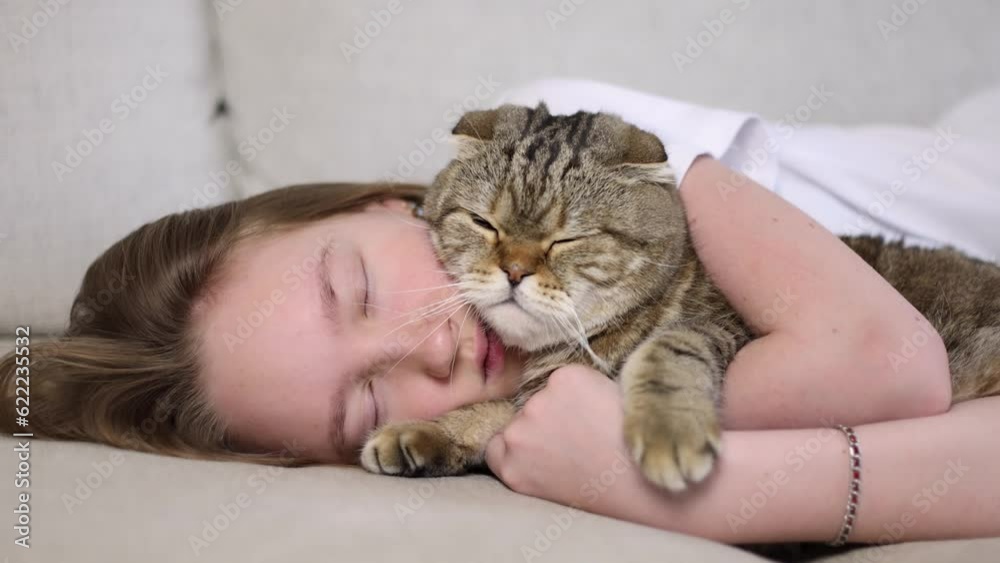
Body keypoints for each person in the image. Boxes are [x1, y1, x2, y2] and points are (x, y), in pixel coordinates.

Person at [2, 79, 998, 546]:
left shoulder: (557, 150)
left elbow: (891, 363)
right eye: (366, 404)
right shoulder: (524, 409)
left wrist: (645, 483)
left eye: (360, 289)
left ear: (389, 204)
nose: (428, 344)